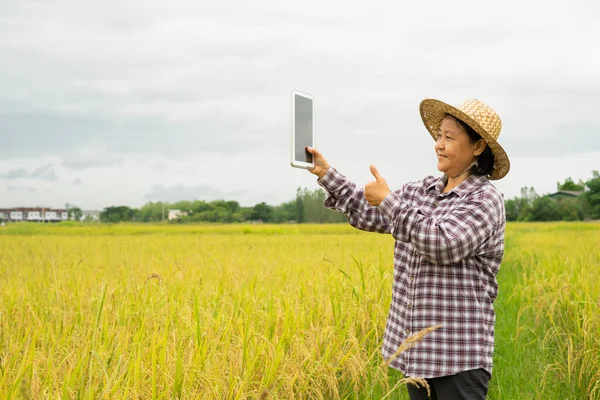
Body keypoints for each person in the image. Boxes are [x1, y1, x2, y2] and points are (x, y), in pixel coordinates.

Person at [306, 98, 509, 400]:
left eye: (449, 137)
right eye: (439, 135)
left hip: (459, 357)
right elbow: (369, 212)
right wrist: (326, 173)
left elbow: (443, 243)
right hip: (417, 355)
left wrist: (389, 201)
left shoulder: (484, 200)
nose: (438, 144)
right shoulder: (420, 190)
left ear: (478, 147)